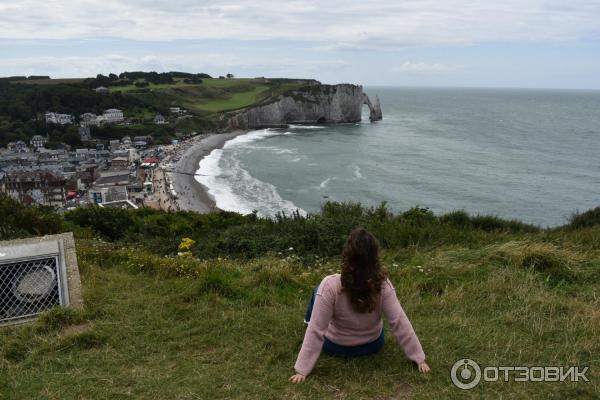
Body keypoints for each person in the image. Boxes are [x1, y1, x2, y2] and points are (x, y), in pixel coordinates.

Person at [290, 228, 430, 384]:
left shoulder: (330, 285)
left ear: (347, 256)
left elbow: (317, 330)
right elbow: (399, 322)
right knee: (323, 293)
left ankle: (307, 320)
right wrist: (419, 358)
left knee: (318, 291)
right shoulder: (383, 285)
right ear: (375, 257)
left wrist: (302, 369)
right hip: (372, 345)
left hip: (337, 347)